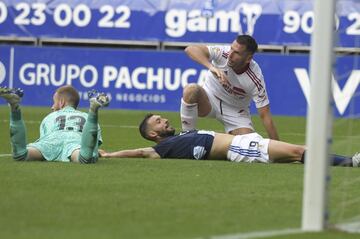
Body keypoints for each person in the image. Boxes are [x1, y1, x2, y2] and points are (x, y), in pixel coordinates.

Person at [99, 113, 360, 167]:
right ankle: (351, 163)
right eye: (158, 122)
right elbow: (142, 152)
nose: (164, 120)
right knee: (297, 151)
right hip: (240, 150)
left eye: (161, 118)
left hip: (241, 145)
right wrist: (111, 155)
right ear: (153, 134)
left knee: (298, 152)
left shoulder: (179, 137)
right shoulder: (163, 148)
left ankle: (348, 161)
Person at [181, 35, 279, 140]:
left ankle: (228, 141)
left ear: (248, 58)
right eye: (231, 48)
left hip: (235, 111)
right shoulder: (223, 53)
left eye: (236, 53)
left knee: (251, 143)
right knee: (191, 90)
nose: (230, 55)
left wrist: (277, 146)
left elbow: (265, 115)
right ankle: (186, 138)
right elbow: (190, 49)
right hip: (209, 99)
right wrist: (212, 68)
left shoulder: (255, 78)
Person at [0, 85, 110, 163]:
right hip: (76, 142)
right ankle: (93, 110)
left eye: (54, 102)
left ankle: (14, 106)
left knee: (20, 155)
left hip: (52, 140)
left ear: (61, 102)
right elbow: (93, 144)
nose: (52, 107)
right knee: (84, 158)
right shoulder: (85, 116)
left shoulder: (50, 117)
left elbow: (45, 137)